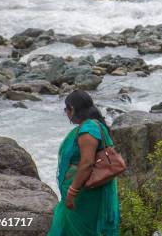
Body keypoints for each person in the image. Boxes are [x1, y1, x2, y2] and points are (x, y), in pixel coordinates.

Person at [48, 90, 120, 236]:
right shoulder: (93, 125)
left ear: (72, 109)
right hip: (87, 188)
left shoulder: (88, 130)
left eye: (66, 109)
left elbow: (87, 163)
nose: (66, 113)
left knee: (76, 228)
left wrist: (72, 192)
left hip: (85, 192)